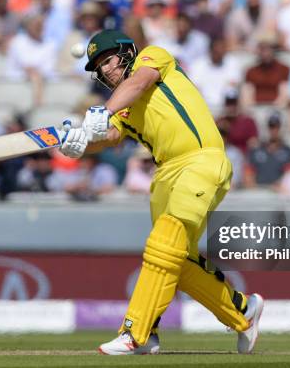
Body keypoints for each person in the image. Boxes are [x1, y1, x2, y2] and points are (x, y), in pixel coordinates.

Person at [57, 29, 264, 355]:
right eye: (99, 68)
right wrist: (80, 144)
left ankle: (136, 333)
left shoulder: (152, 58)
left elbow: (138, 83)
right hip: (165, 174)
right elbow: (110, 136)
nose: (106, 70)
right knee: (174, 261)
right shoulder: (122, 106)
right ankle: (242, 310)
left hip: (201, 160)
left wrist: (103, 111)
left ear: (126, 53)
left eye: (108, 61)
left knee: (164, 245)